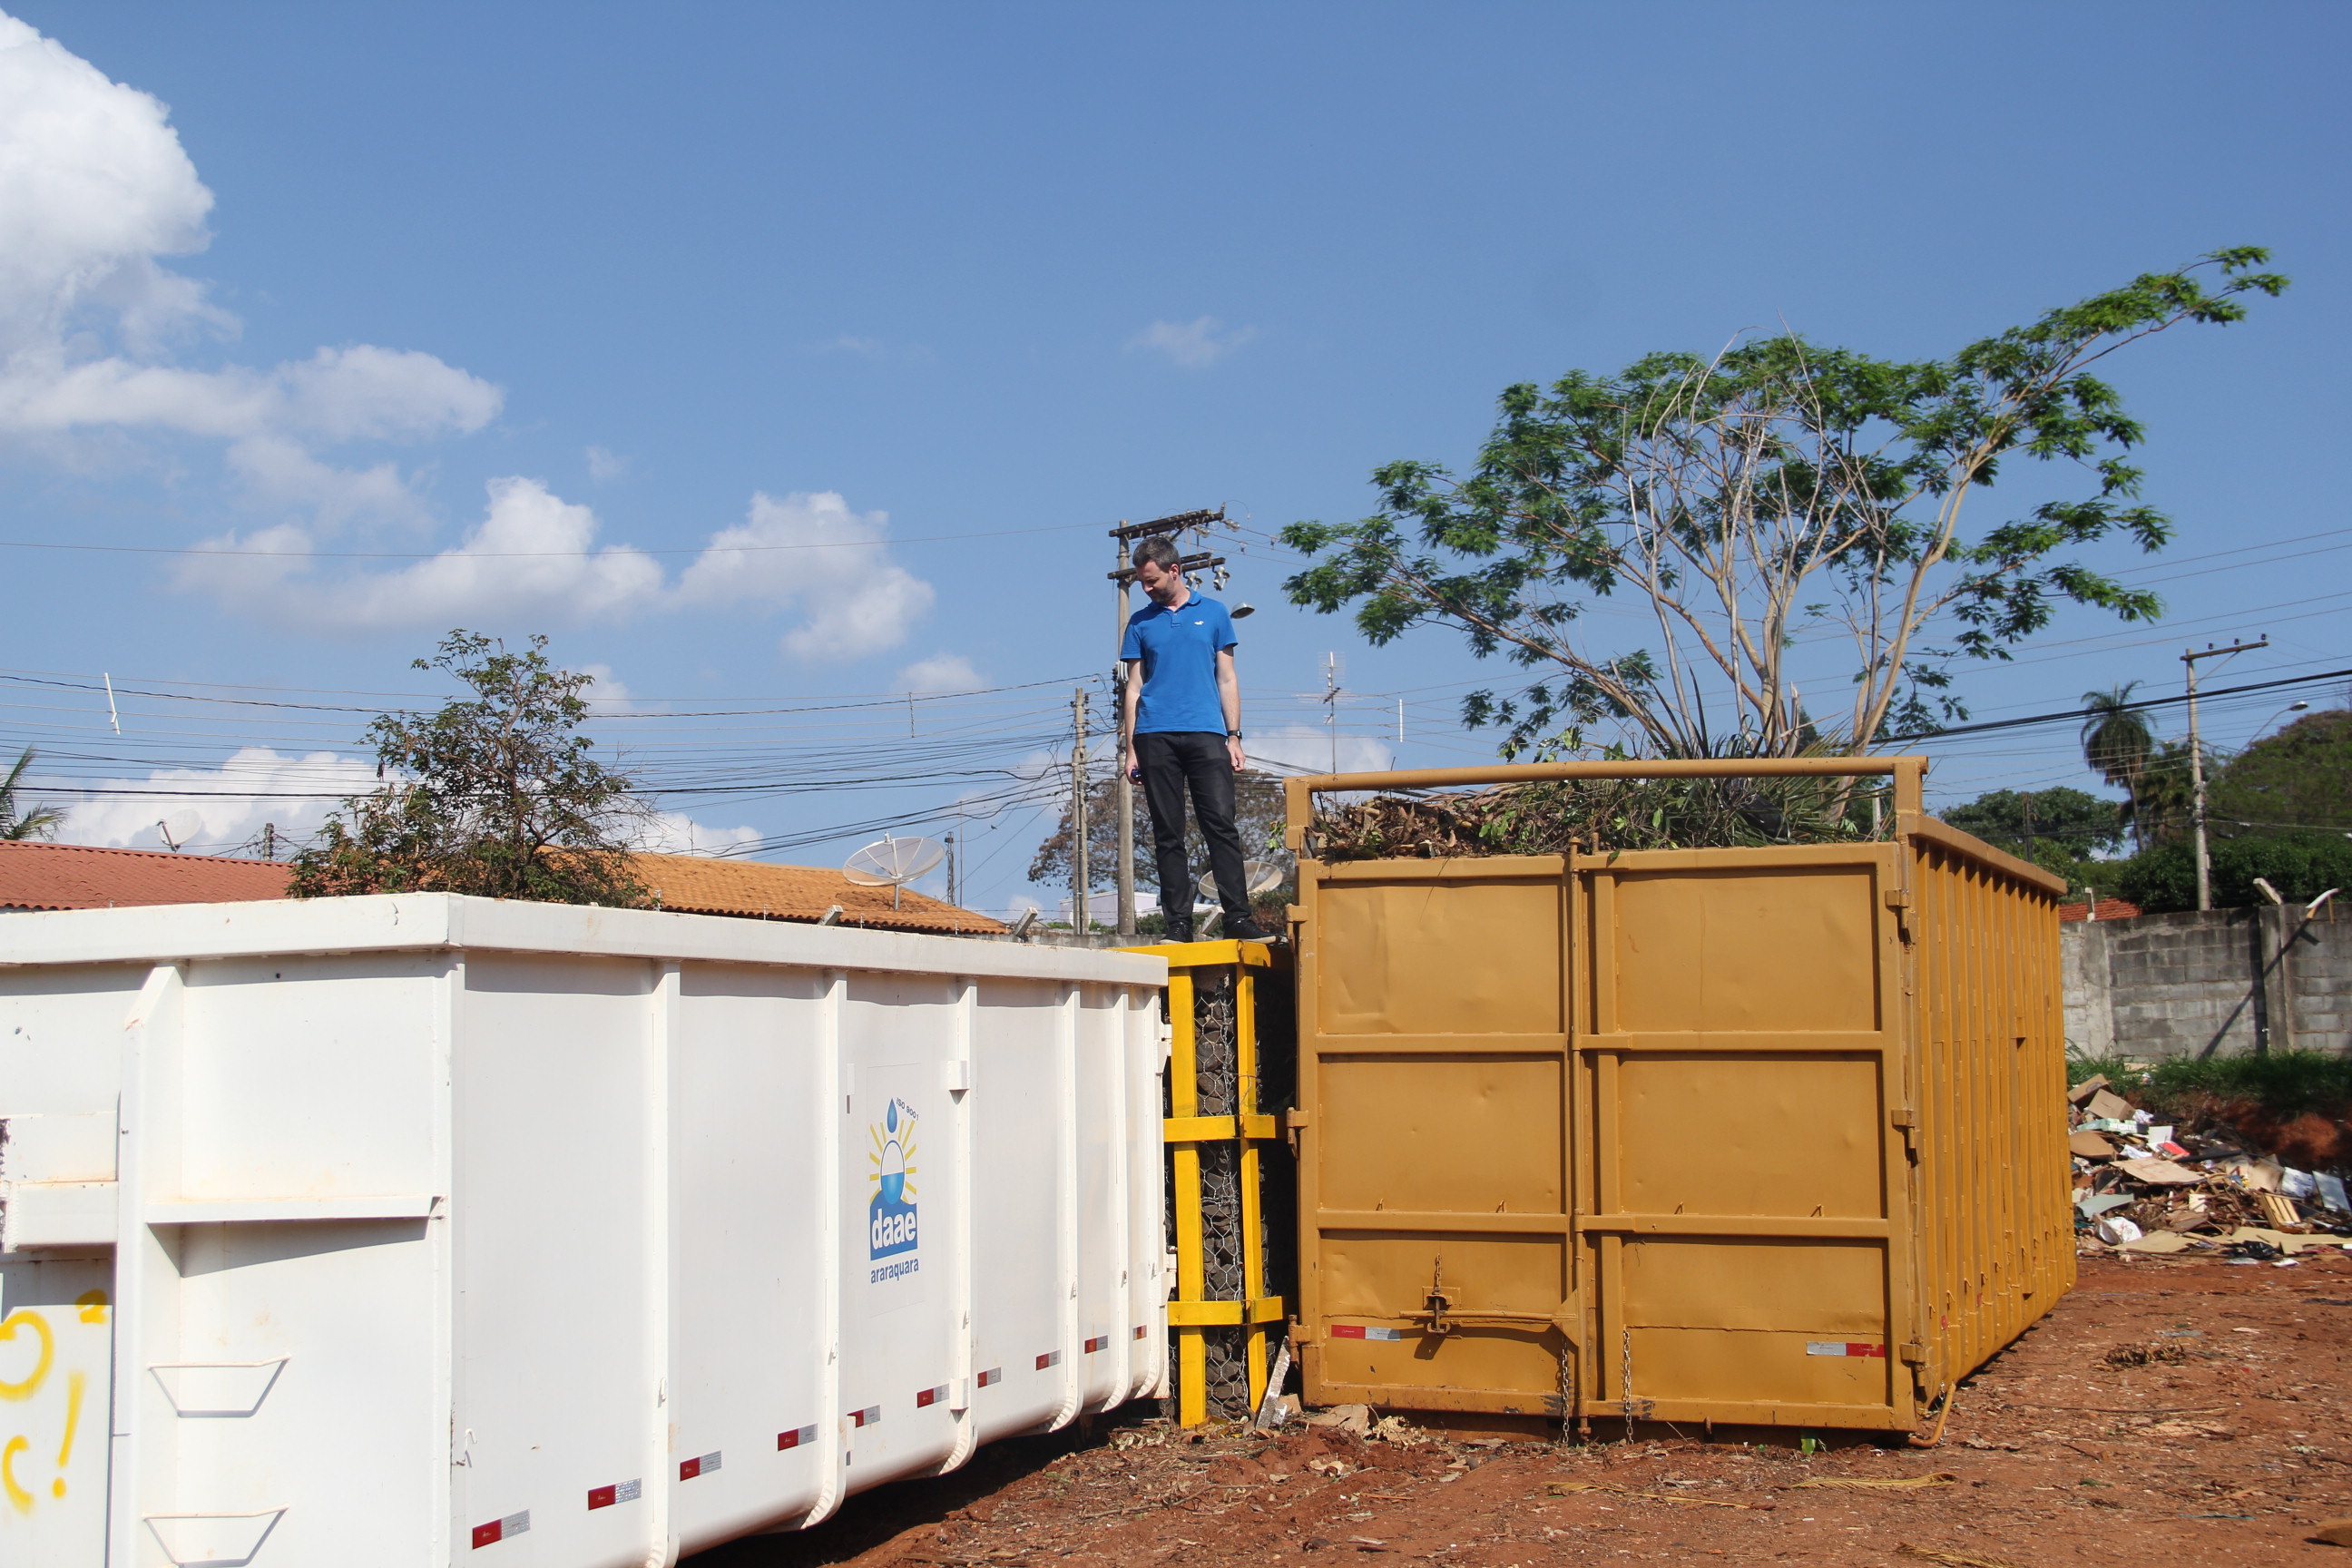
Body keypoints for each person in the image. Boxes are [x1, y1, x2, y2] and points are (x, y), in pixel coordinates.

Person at [1120, 535, 1273, 943]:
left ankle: (1238, 919)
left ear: (1175, 570)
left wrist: (1235, 736)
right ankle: (1179, 926)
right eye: (1141, 583)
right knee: (1168, 832)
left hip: (1207, 733)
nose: (1146, 588)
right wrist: (1131, 748)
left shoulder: (1216, 613)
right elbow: (1133, 687)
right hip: (1155, 736)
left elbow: (1227, 678)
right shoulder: (1139, 622)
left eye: (1151, 580)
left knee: (1221, 826)